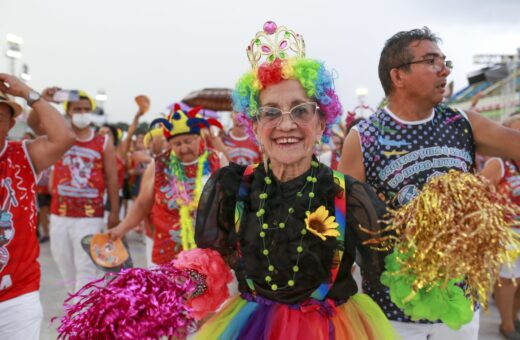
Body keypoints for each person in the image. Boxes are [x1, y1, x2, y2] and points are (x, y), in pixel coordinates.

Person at [193, 22, 396, 339]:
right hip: (247, 328)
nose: (286, 124)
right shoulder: (230, 188)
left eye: (301, 110)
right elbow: (207, 267)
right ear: (256, 126)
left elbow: (395, 268)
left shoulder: (350, 195)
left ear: (321, 123)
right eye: (271, 112)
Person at [339, 27, 520, 339]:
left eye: (444, 61)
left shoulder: (462, 122)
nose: (445, 70)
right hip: (391, 310)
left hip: (459, 308)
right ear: (398, 76)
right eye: (432, 61)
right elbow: (341, 219)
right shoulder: (364, 137)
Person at [0, 74, 75, 339]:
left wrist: (28, 93)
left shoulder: (22, 155)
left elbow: (64, 137)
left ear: (10, 124)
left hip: (16, 297)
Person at [28, 88, 120, 294]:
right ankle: (76, 310)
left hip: (90, 217)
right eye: (77, 109)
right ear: (69, 111)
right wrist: (41, 98)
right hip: (59, 215)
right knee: (66, 267)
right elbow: (34, 123)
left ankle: (79, 316)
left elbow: (112, 178)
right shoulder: (60, 137)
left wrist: (114, 211)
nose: (82, 112)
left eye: (86, 109)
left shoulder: (103, 141)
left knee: (86, 270)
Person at [109, 105, 221, 266]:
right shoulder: (158, 165)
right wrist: (121, 229)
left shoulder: (216, 160)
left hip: (207, 250)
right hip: (166, 251)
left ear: (199, 138)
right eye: (177, 144)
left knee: (205, 291)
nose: (183, 148)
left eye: (188, 141)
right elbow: (142, 205)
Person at [480, 114, 520, 339]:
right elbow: (477, 196)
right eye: (515, 132)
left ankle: (514, 318)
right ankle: (506, 325)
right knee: (508, 279)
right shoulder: (499, 162)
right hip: (507, 231)